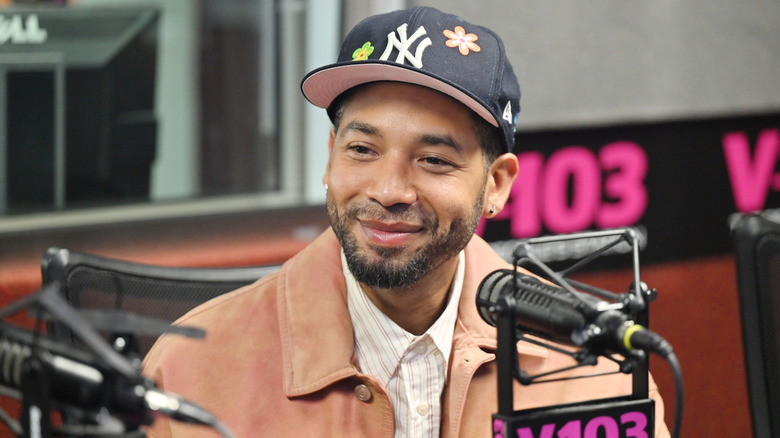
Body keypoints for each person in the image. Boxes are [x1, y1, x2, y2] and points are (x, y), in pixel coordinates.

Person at [143, 6, 670, 437]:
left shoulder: (596, 372)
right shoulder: (191, 371)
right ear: (330, 158)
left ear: (497, 185)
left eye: (434, 159)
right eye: (362, 149)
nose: (389, 191)